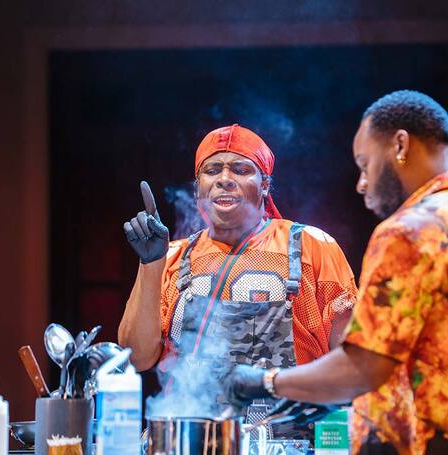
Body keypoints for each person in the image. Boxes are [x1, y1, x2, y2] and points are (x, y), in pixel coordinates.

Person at [226, 91, 448, 454]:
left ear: (400, 145)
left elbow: (362, 368)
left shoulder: (409, 232)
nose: (361, 184)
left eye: (365, 165)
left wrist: (265, 381)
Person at [118, 124, 356, 423]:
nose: (225, 180)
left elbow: (351, 360)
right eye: (212, 170)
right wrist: (150, 263)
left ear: (265, 185)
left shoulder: (311, 246)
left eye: (241, 169)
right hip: (191, 437)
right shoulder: (172, 255)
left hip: (289, 440)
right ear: (198, 187)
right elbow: (137, 357)